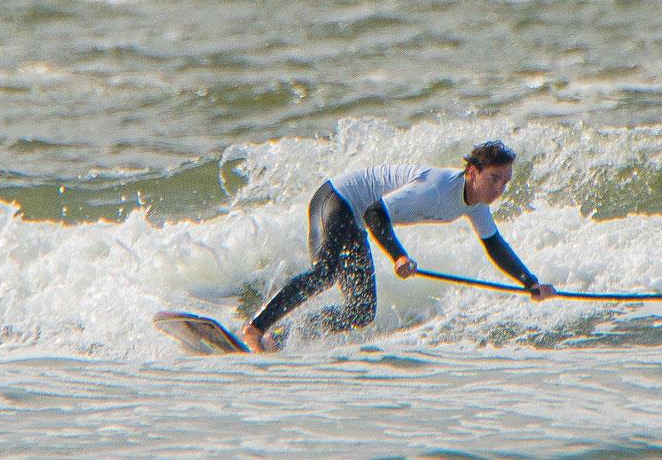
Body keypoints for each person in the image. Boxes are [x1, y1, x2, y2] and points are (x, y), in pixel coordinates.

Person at [238, 141, 556, 352]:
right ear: (473, 172)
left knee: (360, 311)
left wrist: (530, 282)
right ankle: (255, 328)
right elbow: (375, 213)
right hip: (337, 199)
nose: (499, 188)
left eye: (505, 182)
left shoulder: (476, 205)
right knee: (324, 273)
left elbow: (495, 246)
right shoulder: (436, 189)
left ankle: (280, 337)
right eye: (494, 179)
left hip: (357, 219)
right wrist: (399, 256)